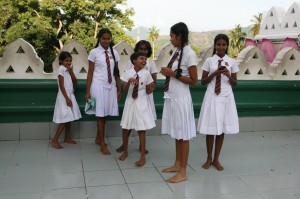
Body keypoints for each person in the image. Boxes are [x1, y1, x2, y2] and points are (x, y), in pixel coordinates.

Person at [160, 22, 198, 183]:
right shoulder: (177, 52)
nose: (170, 39)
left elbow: (194, 80)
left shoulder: (189, 54)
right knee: (177, 133)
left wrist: (173, 74)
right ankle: (177, 164)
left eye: (172, 36)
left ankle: (183, 172)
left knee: (183, 136)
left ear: (179, 36)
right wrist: (168, 72)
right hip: (172, 97)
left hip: (181, 99)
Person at [197, 34, 239, 171]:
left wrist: (227, 75)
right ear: (214, 45)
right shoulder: (209, 61)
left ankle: (216, 159)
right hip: (212, 97)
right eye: (218, 44)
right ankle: (208, 158)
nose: (221, 47)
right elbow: (203, 82)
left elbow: (235, 83)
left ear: (227, 46)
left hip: (225, 97)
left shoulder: (232, 62)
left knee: (221, 129)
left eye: (224, 44)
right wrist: (215, 73)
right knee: (210, 129)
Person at [116, 40, 157, 154]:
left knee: (143, 120)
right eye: (141, 49)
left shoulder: (151, 64)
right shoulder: (131, 64)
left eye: (145, 49)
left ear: (148, 51)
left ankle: (141, 146)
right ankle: (124, 145)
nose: (143, 51)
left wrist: (151, 87)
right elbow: (127, 77)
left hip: (145, 94)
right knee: (128, 121)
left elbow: (153, 78)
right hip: (132, 95)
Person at [85, 28, 122, 155]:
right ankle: (102, 143)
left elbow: (117, 73)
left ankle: (98, 138)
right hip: (98, 86)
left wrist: (119, 89)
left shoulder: (114, 53)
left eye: (108, 38)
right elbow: (90, 73)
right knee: (100, 115)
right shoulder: (94, 52)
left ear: (111, 39)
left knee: (105, 113)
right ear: (99, 39)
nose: (106, 41)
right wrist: (87, 91)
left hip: (110, 87)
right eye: (103, 38)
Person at [51, 51, 82, 149]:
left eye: (70, 61)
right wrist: (67, 98)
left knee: (70, 118)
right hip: (64, 97)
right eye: (66, 61)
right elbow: (61, 86)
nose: (68, 62)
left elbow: (75, 81)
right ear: (61, 61)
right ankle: (54, 140)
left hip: (70, 95)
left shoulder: (68, 70)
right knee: (65, 119)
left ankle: (67, 138)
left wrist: (71, 71)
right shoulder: (61, 70)